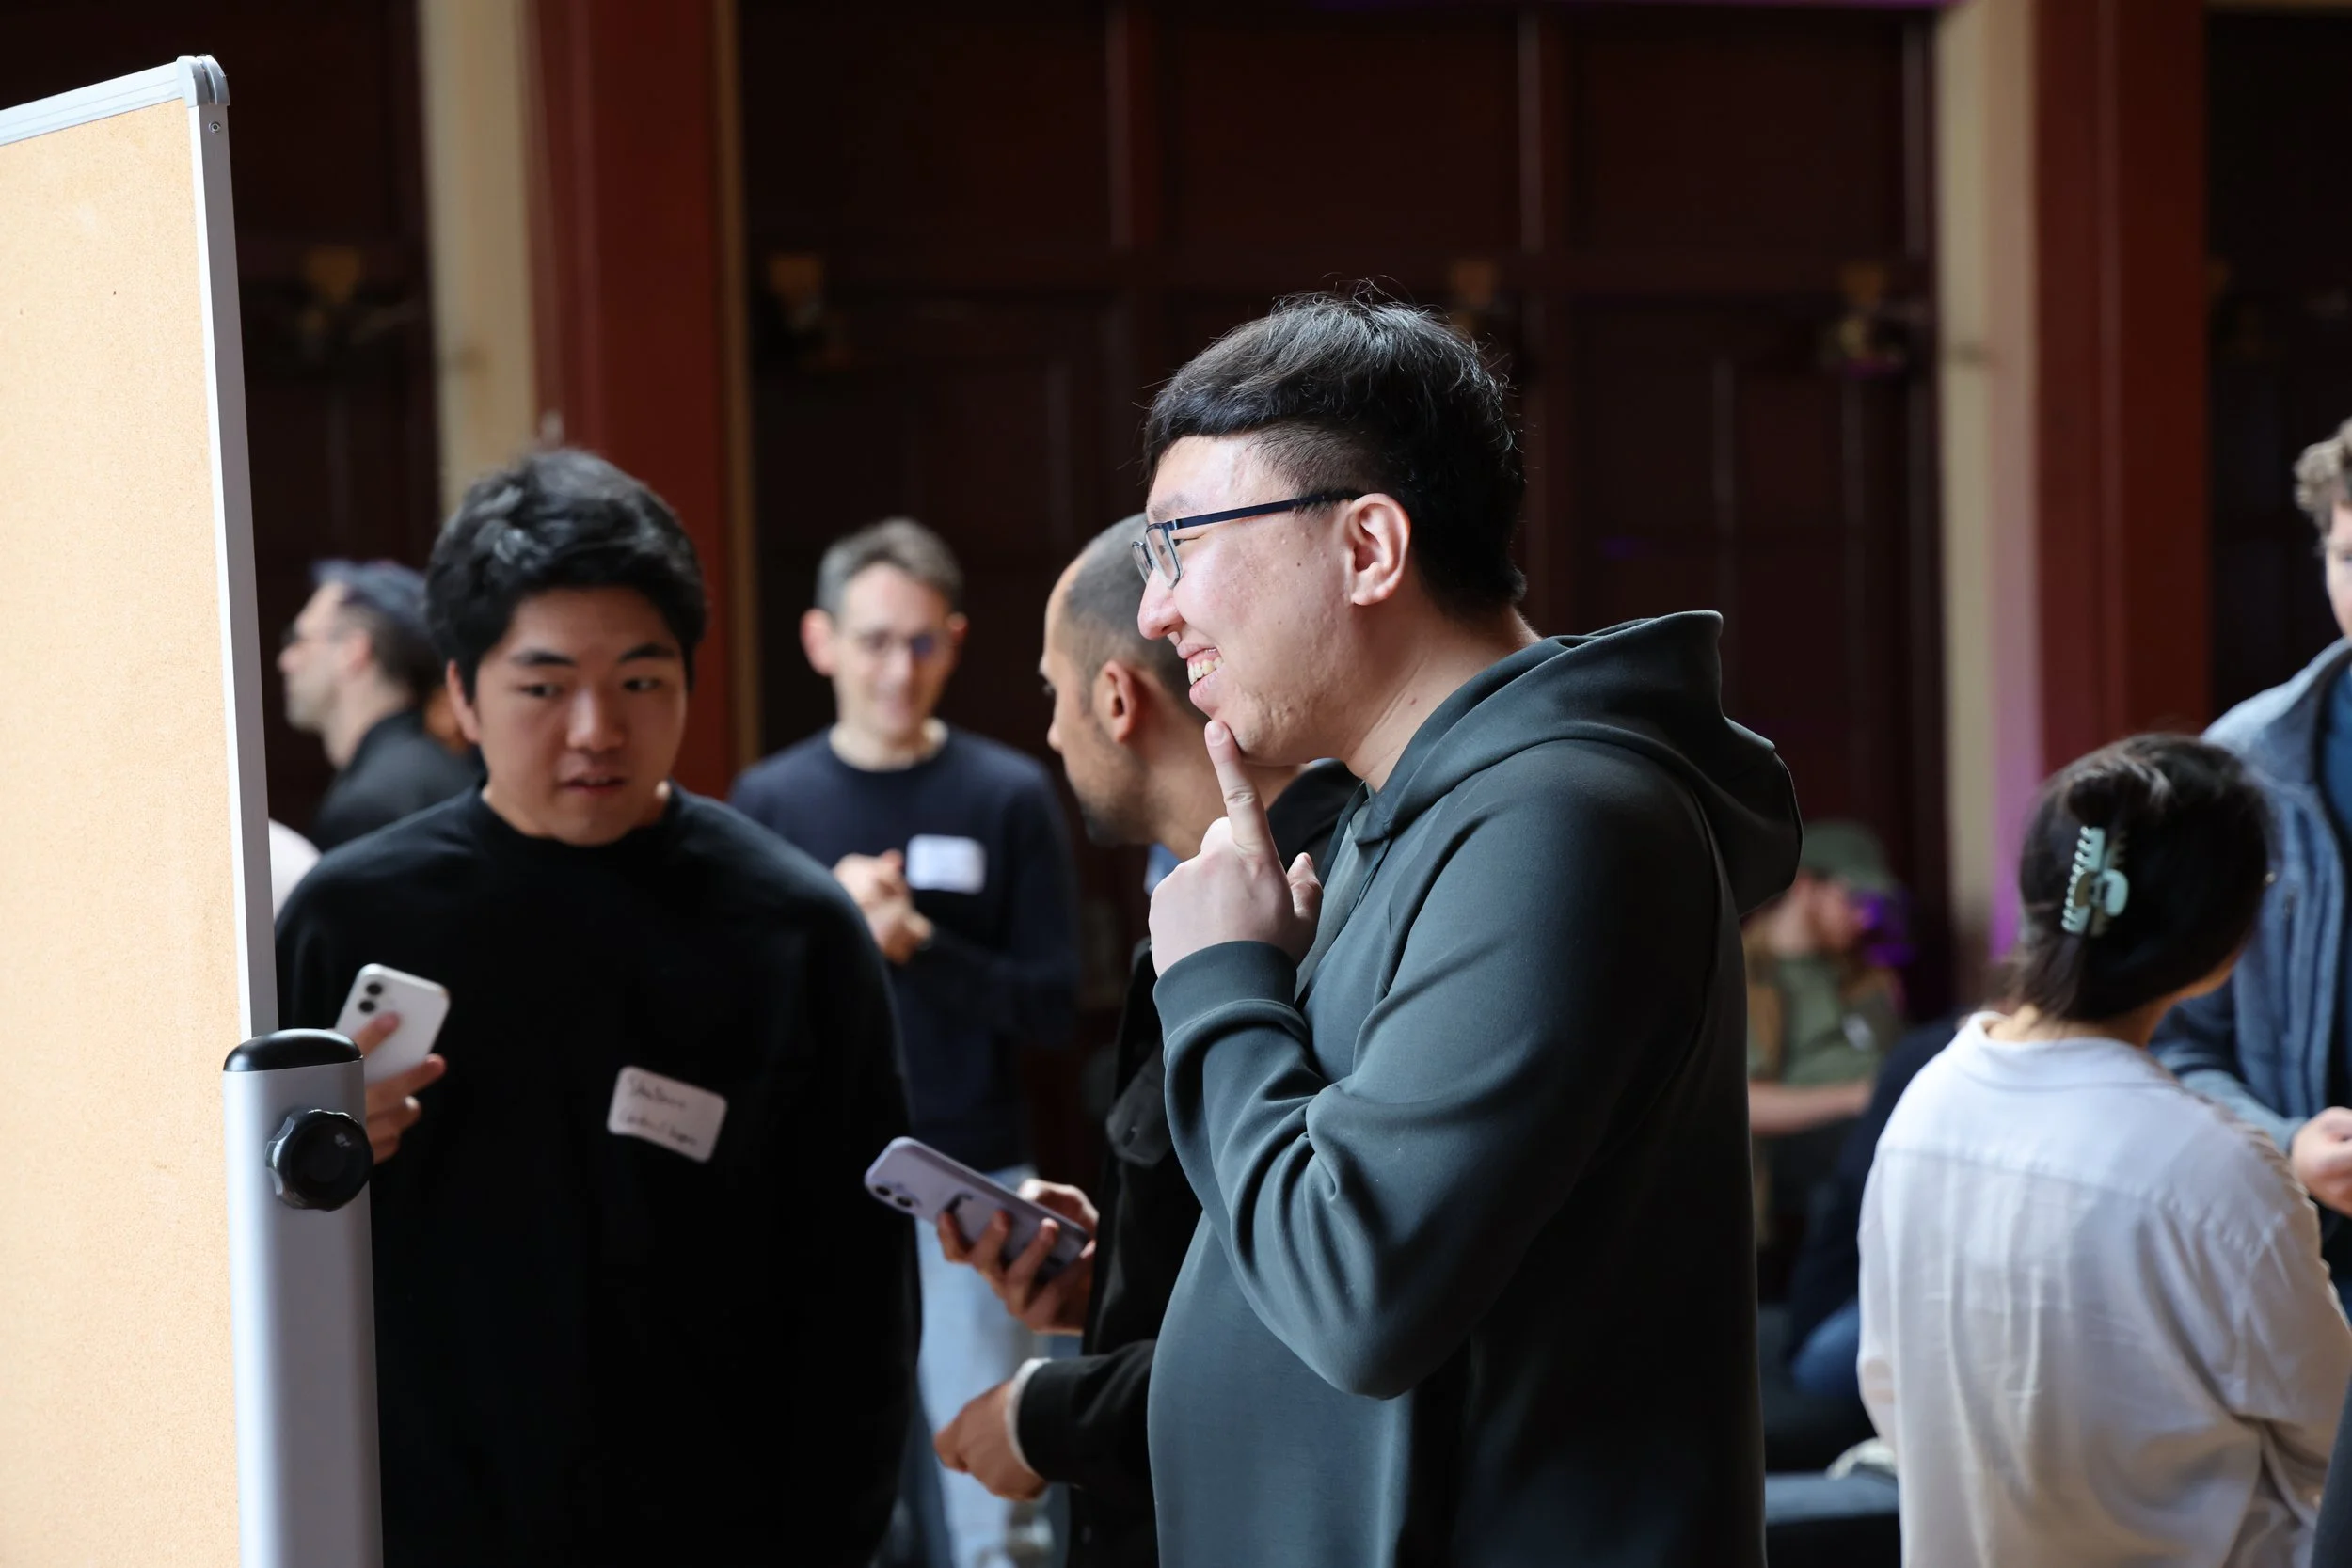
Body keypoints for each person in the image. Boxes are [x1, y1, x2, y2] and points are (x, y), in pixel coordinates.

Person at [1129, 292, 1801, 1566]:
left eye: (1177, 543)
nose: (1156, 611)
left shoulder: (1561, 819)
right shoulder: (1415, 810)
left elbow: (1360, 1282)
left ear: (1370, 546)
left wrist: (1218, 979)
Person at [276, 449, 916, 1565]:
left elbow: (859, 1291)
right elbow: (254, 1260)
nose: (594, 729)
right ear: (462, 694)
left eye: (638, 678)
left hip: (718, 1521)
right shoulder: (350, 917)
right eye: (543, 684)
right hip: (422, 1517)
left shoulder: (793, 927)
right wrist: (311, 1168)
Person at [928, 518, 1357, 1568]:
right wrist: (1109, 1277)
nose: (1051, 731)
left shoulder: (1325, 897)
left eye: (1051, 693)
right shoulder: (1205, 895)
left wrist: (1048, 1412)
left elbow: (1334, 1304)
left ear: (1116, 699)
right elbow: (1244, 1229)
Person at [1861, 734, 2352, 1566]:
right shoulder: (2214, 1169)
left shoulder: (1928, 1101)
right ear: (2222, 941)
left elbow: (1891, 1387)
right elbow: (2333, 1442)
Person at [730, 517, 1079, 1568]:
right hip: (817, 1173)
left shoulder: (1006, 792)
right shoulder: (771, 801)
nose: (898, 668)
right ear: (820, 640)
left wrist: (917, 940)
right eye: (875, 640)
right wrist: (842, 932)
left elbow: (1054, 1007)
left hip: (974, 1169)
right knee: (829, 1476)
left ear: (957, 641)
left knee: (995, 1510)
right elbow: (743, 1018)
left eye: (923, 642)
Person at [2154, 417, 2352, 1314]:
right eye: (2349, 559)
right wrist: (2289, 1142)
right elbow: (2174, 1038)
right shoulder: (2248, 762)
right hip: (2303, 1260)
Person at [1743, 820, 1903, 1244]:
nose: (1864, 916)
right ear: (1807, 886)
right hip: (1795, 1150)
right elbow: (1741, 1104)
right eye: (1853, 899)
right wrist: (1858, 1097)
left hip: (1877, 1122)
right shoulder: (1744, 975)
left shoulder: (1866, 973)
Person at [278, 558, 477, 848]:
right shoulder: (447, 769)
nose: (286, 661)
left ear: (353, 652)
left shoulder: (369, 807)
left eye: (299, 639)